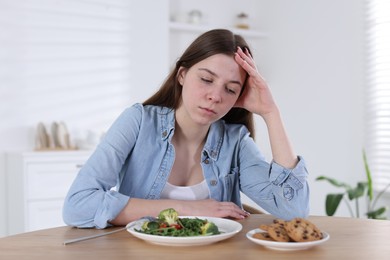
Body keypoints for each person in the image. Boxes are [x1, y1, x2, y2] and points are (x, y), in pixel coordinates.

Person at [63, 29, 309, 229]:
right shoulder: (138, 121)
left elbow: (293, 210)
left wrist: (270, 112)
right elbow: (78, 205)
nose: (215, 96)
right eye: (206, 79)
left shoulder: (236, 142)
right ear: (182, 74)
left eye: (231, 89)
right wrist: (188, 209)